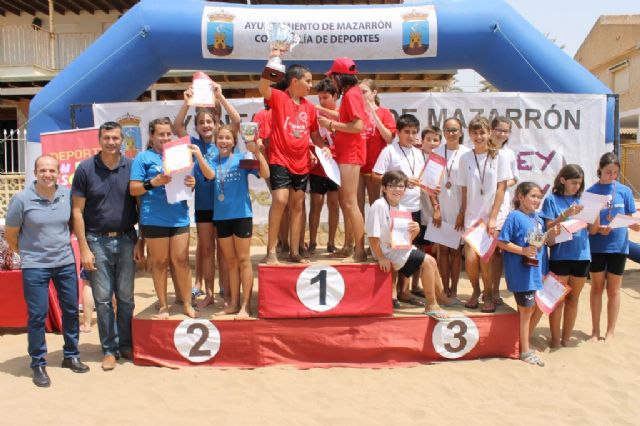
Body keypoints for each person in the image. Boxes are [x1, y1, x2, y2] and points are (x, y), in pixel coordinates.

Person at [5, 155, 90, 387]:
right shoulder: (22, 199)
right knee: (37, 315)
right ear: (35, 172)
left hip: (64, 263)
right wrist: (28, 254)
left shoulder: (66, 195)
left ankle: (71, 355)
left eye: (52, 170)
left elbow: (73, 225)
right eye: (43, 170)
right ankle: (38, 363)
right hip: (35, 266)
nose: (47, 175)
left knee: (71, 311)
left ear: (58, 172)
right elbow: (11, 234)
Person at [71, 121, 138, 371]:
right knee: (102, 299)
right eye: (107, 138)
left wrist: (140, 240)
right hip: (96, 241)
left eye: (116, 138)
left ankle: (126, 345)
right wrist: (84, 248)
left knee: (126, 298)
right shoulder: (85, 169)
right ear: (99, 140)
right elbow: (77, 212)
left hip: (126, 238)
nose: (112, 142)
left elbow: (141, 205)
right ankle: (109, 349)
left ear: (123, 140)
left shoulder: (132, 167)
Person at [130, 117, 212, 319]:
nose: (165, 137)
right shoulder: (143, 158)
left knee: (181, 260)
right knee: (159, 262)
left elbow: (186, 185)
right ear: (152, 135)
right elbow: (134, 189)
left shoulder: (181, 155)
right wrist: (154, 182)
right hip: (154, 218)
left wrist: (191, 183)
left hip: (178, 217)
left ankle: (186, 303)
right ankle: (164, 306)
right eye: (161, 134)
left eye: (168, 133)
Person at [174, 82, 240, 309]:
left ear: (216, 123)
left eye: (209, 122)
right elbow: (177, 127)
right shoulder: (192, 144)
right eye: (201, 123)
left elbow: (237, 122)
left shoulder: (224, 141)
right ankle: (209, 293)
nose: (205, 125)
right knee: (206, 250)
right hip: (203, 205)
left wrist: (220, 97)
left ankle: (227, 291)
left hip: (224, 207)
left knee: (224, 250)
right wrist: (186, 102)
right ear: (197, 126)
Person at [258, 63, 325, 264]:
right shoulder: (280, 98)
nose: (311, 85)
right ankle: (271, 250)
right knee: (280, 199)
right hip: (279, 159)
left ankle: (295, 251)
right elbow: (263, 87)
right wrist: (274, 60)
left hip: (302, 163)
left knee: (297, 205)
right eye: (308, 80)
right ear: (294, 81)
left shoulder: (310, 107)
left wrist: (323, 148)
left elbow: (314, 135)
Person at [367, 170, 454, 320]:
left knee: (431, 261)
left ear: (405, 189)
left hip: (399, 248)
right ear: (384, 188)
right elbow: (373, 236)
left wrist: (416, 231)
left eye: (401, 186)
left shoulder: (403, 209)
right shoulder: (379, 205)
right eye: (392, 186)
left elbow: (405, 239)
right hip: (384, 250)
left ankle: (440, 297)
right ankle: (432, 304)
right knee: (427, 261)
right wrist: (380, 256)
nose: (397, 190)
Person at [209, 125, 269, 318]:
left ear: (234, 141)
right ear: (216, 141)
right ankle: (233, 304)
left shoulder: (242, 158)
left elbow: (266, 174)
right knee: (230, 262)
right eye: (220, 138)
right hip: (221, 217)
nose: (224, 141)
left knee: (243, 260)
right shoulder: (211, 160)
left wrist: (257, 152)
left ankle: (246, 306)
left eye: (228, 138)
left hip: (241, 215)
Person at [457, 116, 512, 313]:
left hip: (490, 217)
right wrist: (462, 213)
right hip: (472, 217)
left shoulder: (500, 156)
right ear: (470, 134)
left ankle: (488, 293)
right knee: (470, 259)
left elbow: (501, 188)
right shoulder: (465, 157)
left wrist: (494, 218)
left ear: (489, 132)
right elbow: (464, 190)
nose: (478, 136)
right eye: (475, 132)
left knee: (485, 259)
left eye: (482, 132)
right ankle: (475, 290)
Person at [498, 182, 556, 366]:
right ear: (520, 197)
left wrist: (550, 235)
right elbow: (502, 242)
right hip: (522, 273)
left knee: (531, 309)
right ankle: (524, 351)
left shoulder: (537, 219)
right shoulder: (514, 217)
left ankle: (522, 344)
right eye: (533, 196)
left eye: (539, 197)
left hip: (535, 272)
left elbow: (537, 245)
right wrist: (522, 251)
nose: (536, 200)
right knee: (525, 311)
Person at [372, 114, 426, 306]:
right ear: (398, 133)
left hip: (415, 206)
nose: (411, 136)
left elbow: (421, 179)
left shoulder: (418, 153)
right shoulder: (389, 151)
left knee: (411, 250)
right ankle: (392, 293)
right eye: (407, 132)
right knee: (395, 250)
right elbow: (376, 175)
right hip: (395, 209)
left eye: (414, 132)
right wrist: (402, 180)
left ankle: (405, 290)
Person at [540, 164, 596, 348]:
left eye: (579, 183)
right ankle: (555, 340)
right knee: (557, 298)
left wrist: (596, 213)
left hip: (582, 255)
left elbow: (593, 230)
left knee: (573, 299)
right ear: (562, 180)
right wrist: (565, 214)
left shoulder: (583, 200)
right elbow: (547, 229)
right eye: (573, 182)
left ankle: (566, 339)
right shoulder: (551, 200)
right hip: (560, 255)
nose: (577, 187)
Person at [319, 57, 368, 262]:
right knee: (348, 202)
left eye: (333, 78)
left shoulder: (351, 95)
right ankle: (353, 248)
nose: (332, 82)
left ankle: (360, 250)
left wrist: (330, 125)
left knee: (350, 203)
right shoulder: (351, 94)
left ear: (340, 77)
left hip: (351, 153)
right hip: (348, 152)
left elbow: (357, 126)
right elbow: (348, 120)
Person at [587, 152, 640, 341]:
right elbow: (587, 227)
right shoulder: (591, 191)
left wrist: (634, 224)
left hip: (618, 246)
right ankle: (595, 330)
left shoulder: (624, 191)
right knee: (596, 288)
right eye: (608, 172)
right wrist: (597, 228)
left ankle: (610, 331)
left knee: (614, 290)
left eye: (615, 172)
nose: (612, 176)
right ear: (600, 169)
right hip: (596, 247)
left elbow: (632, 218)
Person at [431, 118, 470, 298]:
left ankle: (454, 289)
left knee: (455, 251)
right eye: (448, 129)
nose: (451, 133)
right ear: (444, 132)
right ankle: (443, 288)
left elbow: (470, 187)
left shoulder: (468, 154)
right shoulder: (436, 152)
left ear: (461, 132)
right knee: (442, 250)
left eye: (455, 129)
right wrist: (436, 208)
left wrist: (462, 212)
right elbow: (429, 184)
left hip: (459, 209)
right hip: (442, 206)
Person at [308, 78, 340, 255]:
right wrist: (316, 150)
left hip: (336, 166)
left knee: (334, 204)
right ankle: (312, 241)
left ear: (335, 96)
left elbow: (346, 139)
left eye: (326, 97)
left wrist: (332, 148)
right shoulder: (314, 115)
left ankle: (331, 242)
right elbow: (309, 137)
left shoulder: (342, 115)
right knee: (316, 204)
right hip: (319, 167)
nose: (322, 101)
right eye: (319, 98)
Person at [489, 116, 519, 306]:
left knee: (497, 250)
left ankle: (494, 290)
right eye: (498, 129)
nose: (501, 133)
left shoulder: (509, 154)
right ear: (491, 130)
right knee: (482, 250)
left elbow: (514, 178)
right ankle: (484, 291)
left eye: (505, 131)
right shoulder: (481, 150)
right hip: (481, 204)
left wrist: (499, 183)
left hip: (501, 205)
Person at [358, 79, 396, 215]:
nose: (361, 95)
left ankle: (377, 235)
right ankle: (358, 236)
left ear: (374, 92)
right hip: (358, 166)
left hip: (376, 168)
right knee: (357, 207)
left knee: (376, 206)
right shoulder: (357, 113)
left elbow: (389, 138)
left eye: (364, 92)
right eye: (359, 92)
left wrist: (375, 116)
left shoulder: (384, 113)